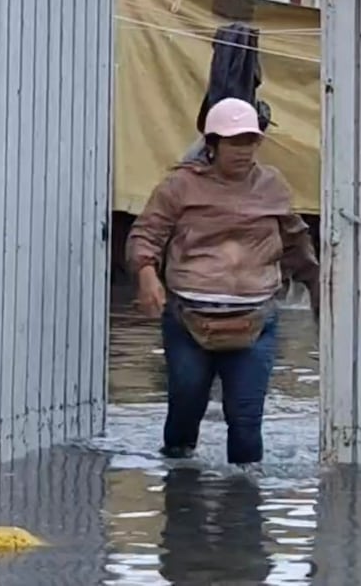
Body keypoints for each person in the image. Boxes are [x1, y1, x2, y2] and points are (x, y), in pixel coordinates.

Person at [125, 97, 319, 474]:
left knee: (246, 422)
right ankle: (179, 496)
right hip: (189, 320)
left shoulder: (272, 187)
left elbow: (296, 241)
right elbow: (145, 235)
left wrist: (317, 287)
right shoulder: (180, 186)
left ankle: (244, 513)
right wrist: (147, 274)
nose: (243, 151)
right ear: (212, 144)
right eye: (234, 142)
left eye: (250, 141)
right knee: (185, 410)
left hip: (254, 321)